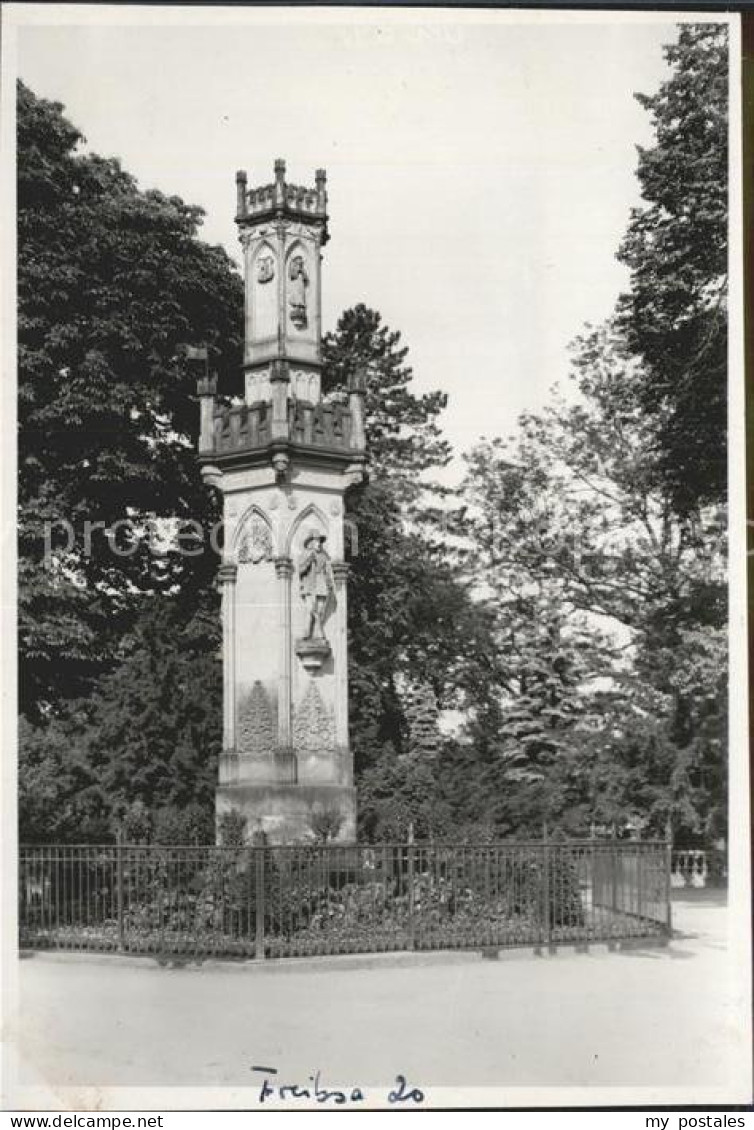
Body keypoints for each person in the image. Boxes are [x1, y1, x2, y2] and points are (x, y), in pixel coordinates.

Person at [298, 530, 335, 639]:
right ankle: (310, 632)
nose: (318, 543)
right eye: (316, 541)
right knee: (311, 609)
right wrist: (309, 560)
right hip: (310, 584)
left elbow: (327, 570)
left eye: (319, 541)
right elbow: (300, 570)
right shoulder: (306, 554)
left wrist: (329, 582)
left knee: (319, 611)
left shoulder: (324, 556)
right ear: (311, 542)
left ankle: (316, 633)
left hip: (321, 583)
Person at [288, 255, 309, 328]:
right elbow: (292, 275)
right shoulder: (294, 268)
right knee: (296, 297)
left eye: (301, 262)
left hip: (301, 286)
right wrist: (297, 271)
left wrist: (302, 271)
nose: (300, 263)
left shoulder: (302, 270)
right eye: (299, 261)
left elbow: (306, 279)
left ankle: (300, 308)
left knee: (301, 296)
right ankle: (296, 307)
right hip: (295, 286)